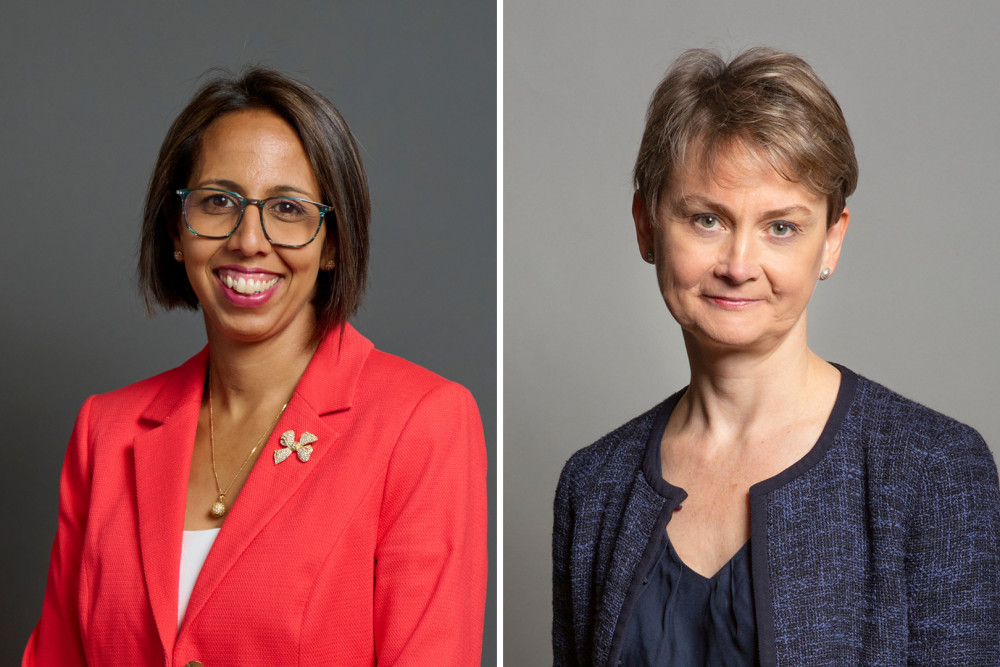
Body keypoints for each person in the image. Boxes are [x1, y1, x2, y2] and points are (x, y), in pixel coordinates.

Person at [24, 68, 487, 666]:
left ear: (333, 243)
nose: (249, 239)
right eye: (218, 202)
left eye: (287, 209)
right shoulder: (104, 431)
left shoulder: (420, 422)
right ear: (175, 229)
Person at [552, 47, 1000, 666]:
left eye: (781, 227)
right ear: (646, 227)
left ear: (832, 240)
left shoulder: (934, 470)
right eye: (706, 219)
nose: (739, 266)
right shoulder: (594, 487)